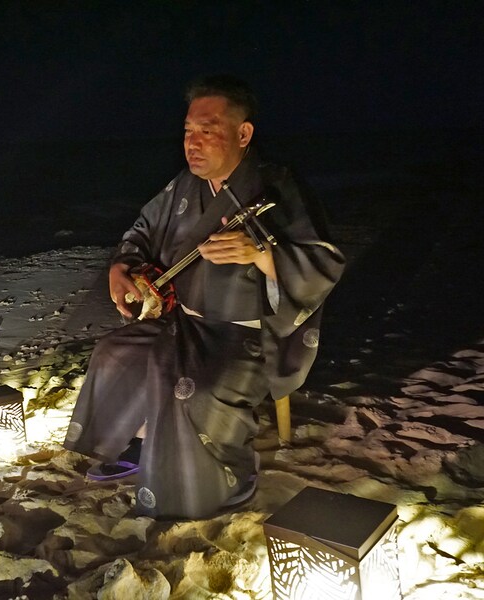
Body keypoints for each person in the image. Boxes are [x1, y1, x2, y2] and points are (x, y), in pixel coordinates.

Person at [63, 74, 346, 520]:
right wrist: (121, 267)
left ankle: (236, 477)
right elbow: (141, 230)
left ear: (243, 133)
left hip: (246, 335)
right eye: (188, 132)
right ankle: (138, 441)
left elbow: (324, 261)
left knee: (190, 393)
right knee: (114, 352)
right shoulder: (183, 187)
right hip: (184, 320)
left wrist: (262, 255)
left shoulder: (277, 186)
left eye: (208, 131)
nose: (193, 143)